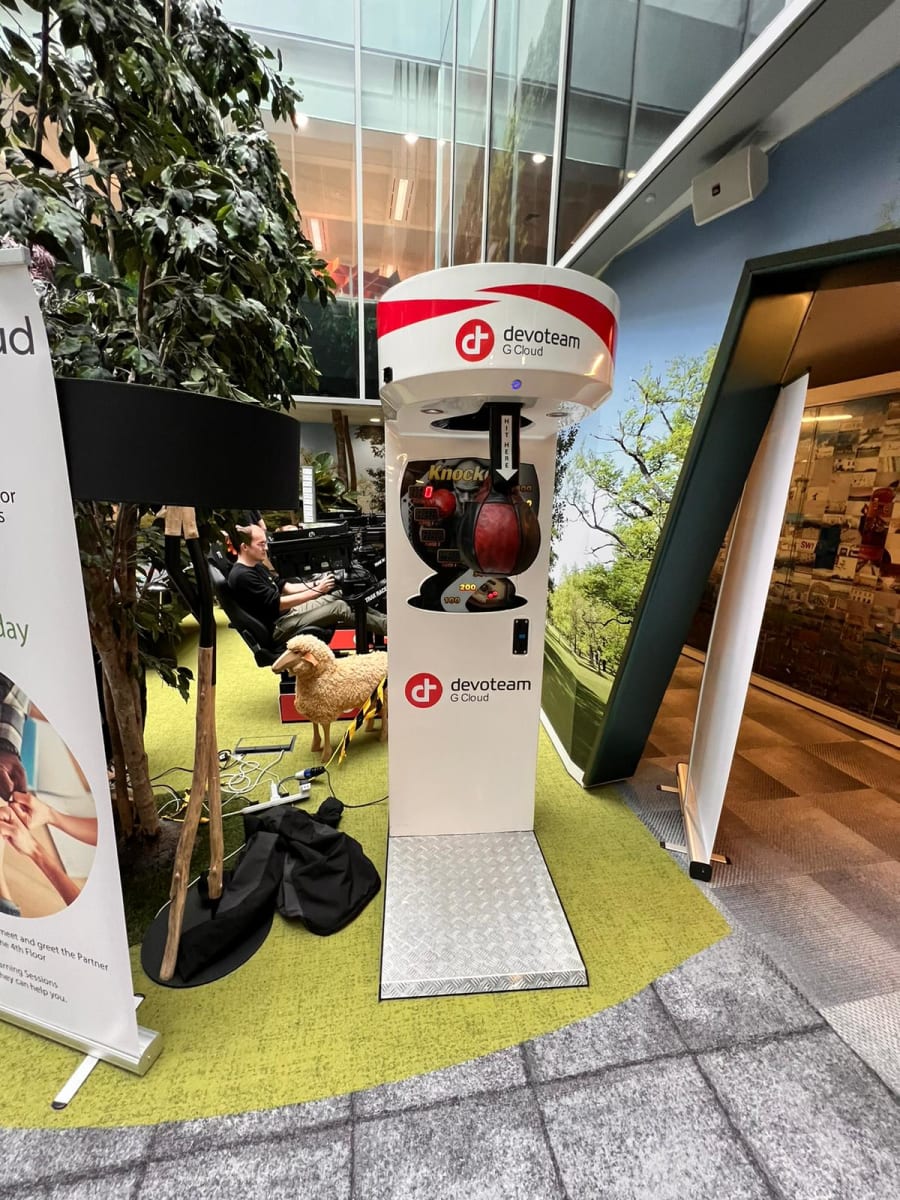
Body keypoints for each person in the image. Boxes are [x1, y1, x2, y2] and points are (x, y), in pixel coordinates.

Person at [228, 525, 387, 647]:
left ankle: (388, 621)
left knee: (341, 594)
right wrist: (318, 591)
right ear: (244, 547)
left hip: (288, 614)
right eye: (261, 544)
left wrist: (318, 584)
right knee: (340, 608)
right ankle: (391, 629)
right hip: (279, 627)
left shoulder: (256, 566)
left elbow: (287, 587)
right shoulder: (242, 576)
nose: (266, 548)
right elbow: (278, 604)